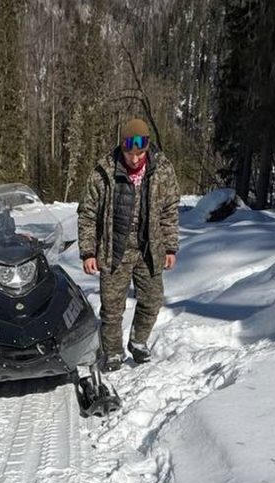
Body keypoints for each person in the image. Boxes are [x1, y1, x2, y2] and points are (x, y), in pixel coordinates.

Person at [77, 118, 180, 372]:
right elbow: (87, 213)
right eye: (129, 153)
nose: (135, 159)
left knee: (152, 300)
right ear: (121, 148)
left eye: (140, 153)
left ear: (147, 149)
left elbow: (169, 210)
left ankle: (139, 341)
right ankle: (112, 352)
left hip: (149, 248)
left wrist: (170, 246)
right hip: (115, 248)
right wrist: (89, 251)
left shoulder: (162, 170)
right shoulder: (104, 171)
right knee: (112, 307)